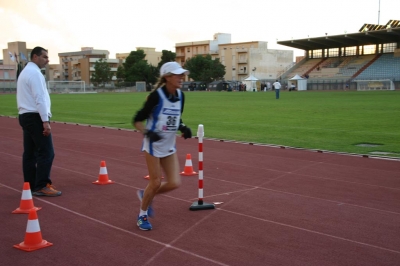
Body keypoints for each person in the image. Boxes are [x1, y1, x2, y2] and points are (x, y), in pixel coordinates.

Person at [132, 62, 192, 231]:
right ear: (167, 77)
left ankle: (146, 195)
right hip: (153, 145)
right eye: (178, 75)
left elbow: (176, 117)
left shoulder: (181, 96)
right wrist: (147, 132)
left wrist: (183, 128)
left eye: (182, 74)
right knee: (156, 181)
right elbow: (137, 119)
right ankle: (142, 215)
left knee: (174, 183)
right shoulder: (156, 96)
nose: (182, 77)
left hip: (169, 145)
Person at [16, 46, 61, 196]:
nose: (47, 60)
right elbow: (39, 98)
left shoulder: (24, 72)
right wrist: (45, 121)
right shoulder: (35, 74)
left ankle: (30, 184)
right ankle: (41, 185)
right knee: (47, 152)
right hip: (35, 117)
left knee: (29, 153)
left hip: (25, 115)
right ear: (35, 57)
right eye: (44, 57)